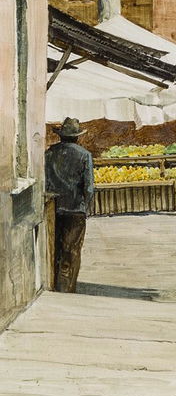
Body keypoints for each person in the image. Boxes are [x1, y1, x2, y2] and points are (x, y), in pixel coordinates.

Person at [45, 118, 95, 293]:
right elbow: (89, 187)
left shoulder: (49, 153)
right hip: (75, 210)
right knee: (71, 251)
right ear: (77, 137)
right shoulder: (84, 155)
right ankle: (68, 288)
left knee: (55, 249)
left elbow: (44, 182)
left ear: (61, 137)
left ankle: (54, 285)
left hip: (53, 209)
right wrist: (85, 206)